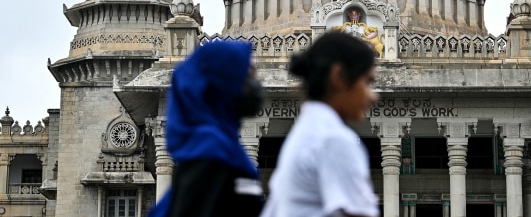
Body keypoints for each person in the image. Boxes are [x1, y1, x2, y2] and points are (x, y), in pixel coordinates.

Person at [260, 31, 379, 217]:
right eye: (367, 82)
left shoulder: (306, 133)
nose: (373, 96)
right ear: (339, 77)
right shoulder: (334, 140)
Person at [149, 39, 265, 217]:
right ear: (223, 84)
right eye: (248, 74)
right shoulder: (211, 149)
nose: (257, 82)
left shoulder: (219, 144)